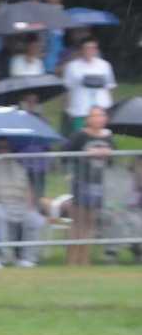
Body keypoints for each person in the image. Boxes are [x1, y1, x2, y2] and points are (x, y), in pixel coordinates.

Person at [63, 106, 115, 265]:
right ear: (88, 119)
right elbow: (65, 153)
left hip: (97, 183)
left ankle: (85, 259)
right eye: (95, 115)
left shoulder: (108, 138)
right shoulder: (81, 136)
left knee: (89, 223)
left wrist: (108, 153)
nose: (98, 118)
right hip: (82, 181)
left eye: (101, 115)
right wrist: (86, 153)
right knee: (78, 222)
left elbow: (112, 162)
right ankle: (71, 259)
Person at [0, 136, 46, 267]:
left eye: (5, 147)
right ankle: (6, 256)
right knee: (0, 217)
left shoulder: (18, 167)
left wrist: (30, 204)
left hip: (19, 203)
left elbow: (27, 188)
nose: (2, 150)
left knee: (36, 220)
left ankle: (29, 258)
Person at [59, 39, 115, 133]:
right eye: (86, 48)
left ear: (96, 50)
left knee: (101, 133)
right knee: (80, 134)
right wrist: (66, 109)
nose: (89, 51)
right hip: (80, 107)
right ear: (81, 50)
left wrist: (110, 107)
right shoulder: (72, 66)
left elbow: (109, 86)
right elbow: (66, 88)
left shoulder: (104, 65)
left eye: (92, 48)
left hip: (101, 107)